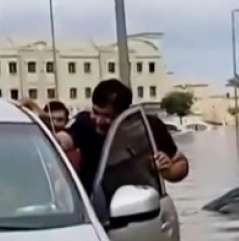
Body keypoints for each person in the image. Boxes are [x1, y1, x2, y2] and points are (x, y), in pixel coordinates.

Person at [56, 78, 189, 194]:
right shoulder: (84, 123)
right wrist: (53, 140)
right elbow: (63, 139)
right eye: (96, 112)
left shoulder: (147, 126)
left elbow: (181, 163)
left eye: (107, 116)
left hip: (141, 207)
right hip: (94, 208)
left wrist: (168, 170)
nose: (99, 120)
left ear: (124, 114)